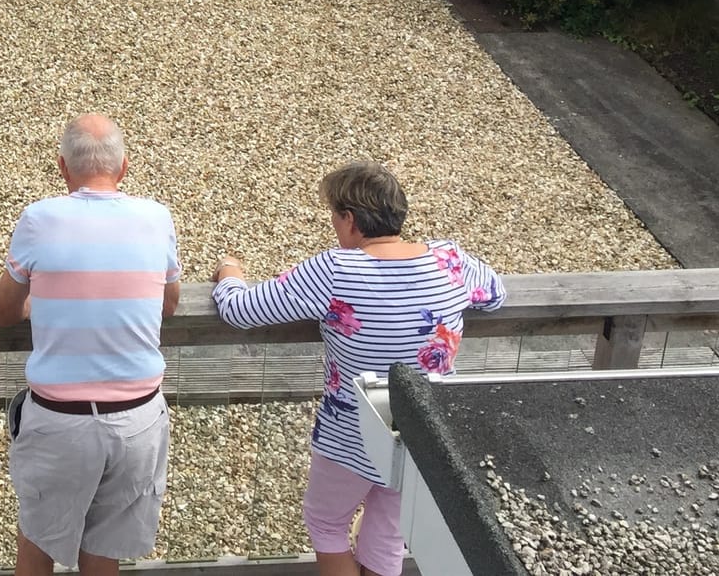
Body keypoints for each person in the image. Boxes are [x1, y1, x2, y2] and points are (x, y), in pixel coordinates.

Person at [211, 162, 505, 576]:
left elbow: (241, 311)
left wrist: (229, 274)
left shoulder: (336, 269)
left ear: (350, 220)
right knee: (388, 533)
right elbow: (496, 295)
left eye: (334, 214)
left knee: (325, 522)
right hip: (423, 432)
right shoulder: (450, 260)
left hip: (352, 430)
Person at [0, 114, 182, 576]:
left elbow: (3, 311)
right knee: (103, 553)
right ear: (123, 168)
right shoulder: (157, 217)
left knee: (37, 545)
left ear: (63, 168)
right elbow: (170, 303)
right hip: (138, 415)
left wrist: (38, 302)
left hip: (62, 418)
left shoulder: (39, 218)